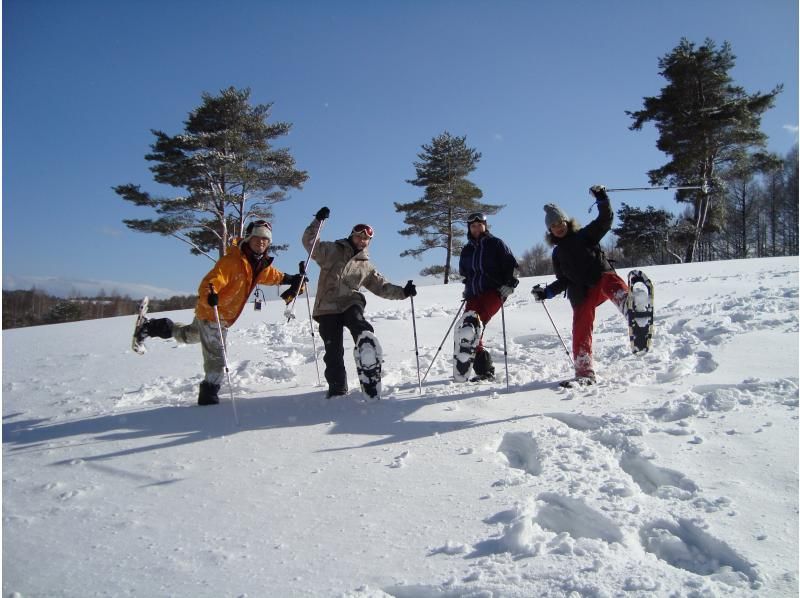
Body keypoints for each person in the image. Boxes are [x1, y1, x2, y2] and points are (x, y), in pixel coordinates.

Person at [134, 220, 306, 405]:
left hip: (220, 317)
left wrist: (292, 279)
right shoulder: (232, 261)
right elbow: (211, 281)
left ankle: (150, 327)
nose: (262, 242)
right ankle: (208, 399)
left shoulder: (258, 264)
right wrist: (210, 295)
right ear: (249, 238)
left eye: (266, 240)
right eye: (258, 238)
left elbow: (272, 275)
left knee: (188, 336)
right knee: (217, 360)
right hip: (213, 314)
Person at [303, 207, 416, 398]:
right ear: (352, 236)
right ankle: (337, 389)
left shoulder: (365, 265)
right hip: (327, 307)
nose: (362, 241)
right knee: (333, 351)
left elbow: (382, 287)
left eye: (366, 239)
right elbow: (310, 243)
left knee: (357, 319)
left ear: (369, 242)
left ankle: (367, 347)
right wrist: (317, 222)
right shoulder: (331, 250)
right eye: (359, 237)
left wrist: (403, 292)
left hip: (350, 301)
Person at [531, 185, 630, 386]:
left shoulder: (585, 235)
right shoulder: (557, 253)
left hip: (600, 281)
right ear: (550, 230)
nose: (558, 227)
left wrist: (602, 198)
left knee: (609, 280)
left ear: (567, 222)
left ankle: (629, 304)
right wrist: (547, 291)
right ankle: (584, 373)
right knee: (580, 329)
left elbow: (605, 220)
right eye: (554, 226)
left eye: (560, 222)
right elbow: (564, 279)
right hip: (581, 294)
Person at [454, 212, 519, 382]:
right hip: (473, 294)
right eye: (473, 226)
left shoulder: (495, 243)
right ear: (469, 228)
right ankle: (483, 368)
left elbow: (512, 265)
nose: (476, 228)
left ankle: (485, 370)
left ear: (485, 226)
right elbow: (465, 273)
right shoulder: (467, 249)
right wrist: (467, 287)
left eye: (479, 225)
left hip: (493, 292)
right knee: (467, 330)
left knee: (474, 328)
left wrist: (510, 285)